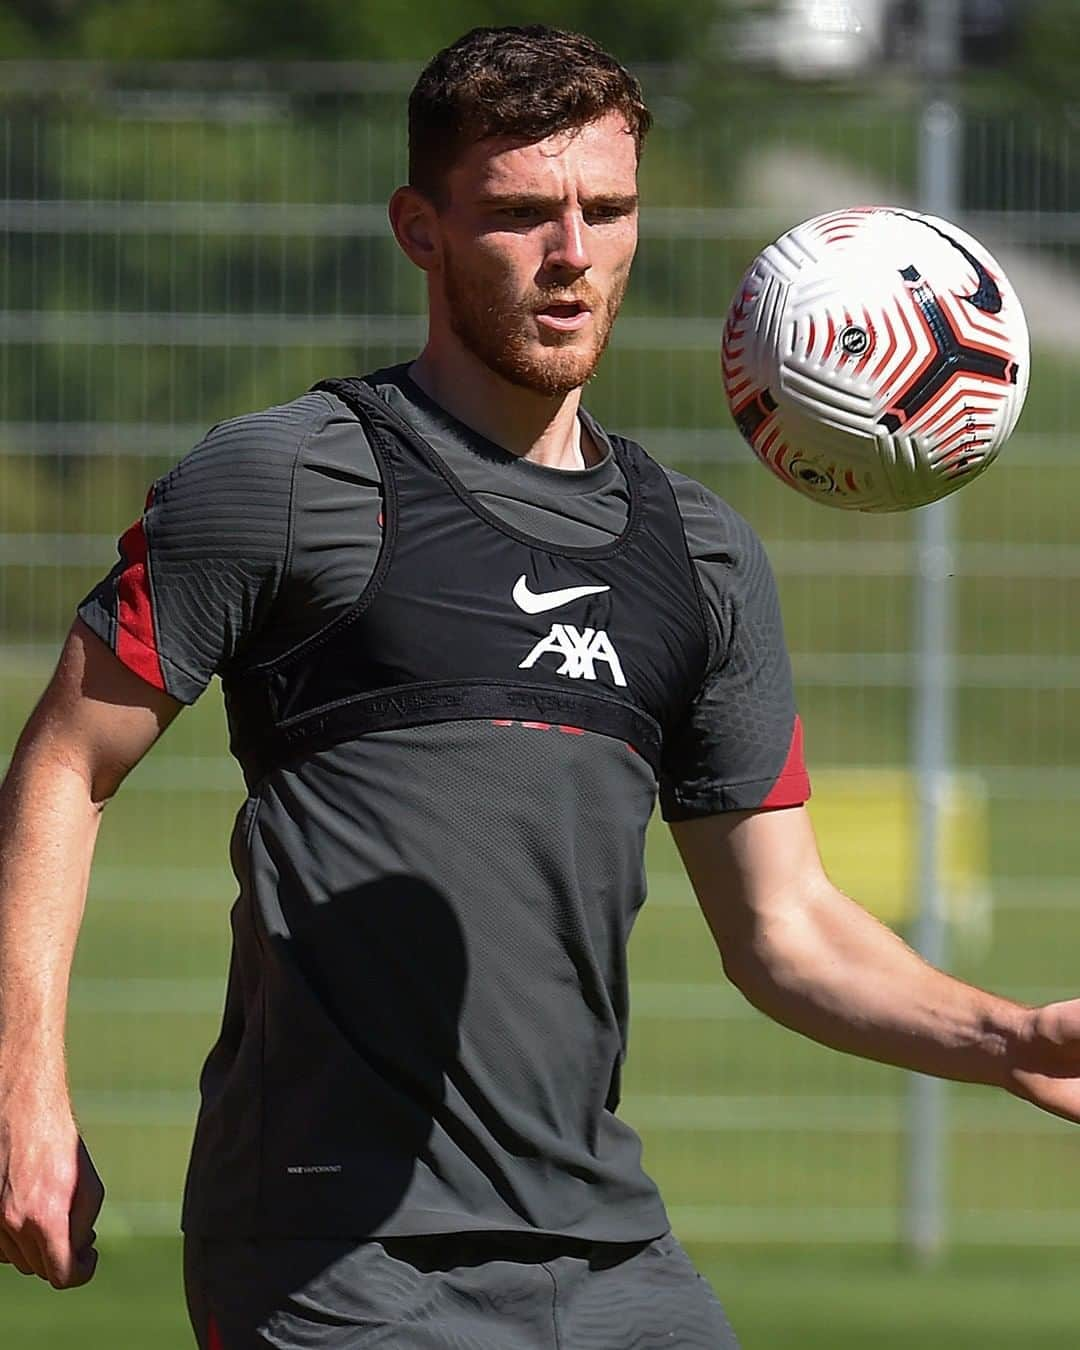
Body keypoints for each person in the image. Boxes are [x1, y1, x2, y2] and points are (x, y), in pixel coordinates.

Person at [1, 22, 1079, 1349]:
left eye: (607, 209)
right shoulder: (285, 480)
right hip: (335, 1260)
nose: (572, 254)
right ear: (421, 227)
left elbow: (786, 925)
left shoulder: (700, 554)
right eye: (520, 214)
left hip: (610, 1248)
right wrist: (23, 1094)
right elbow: (67, 762)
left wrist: (1009, 1031)